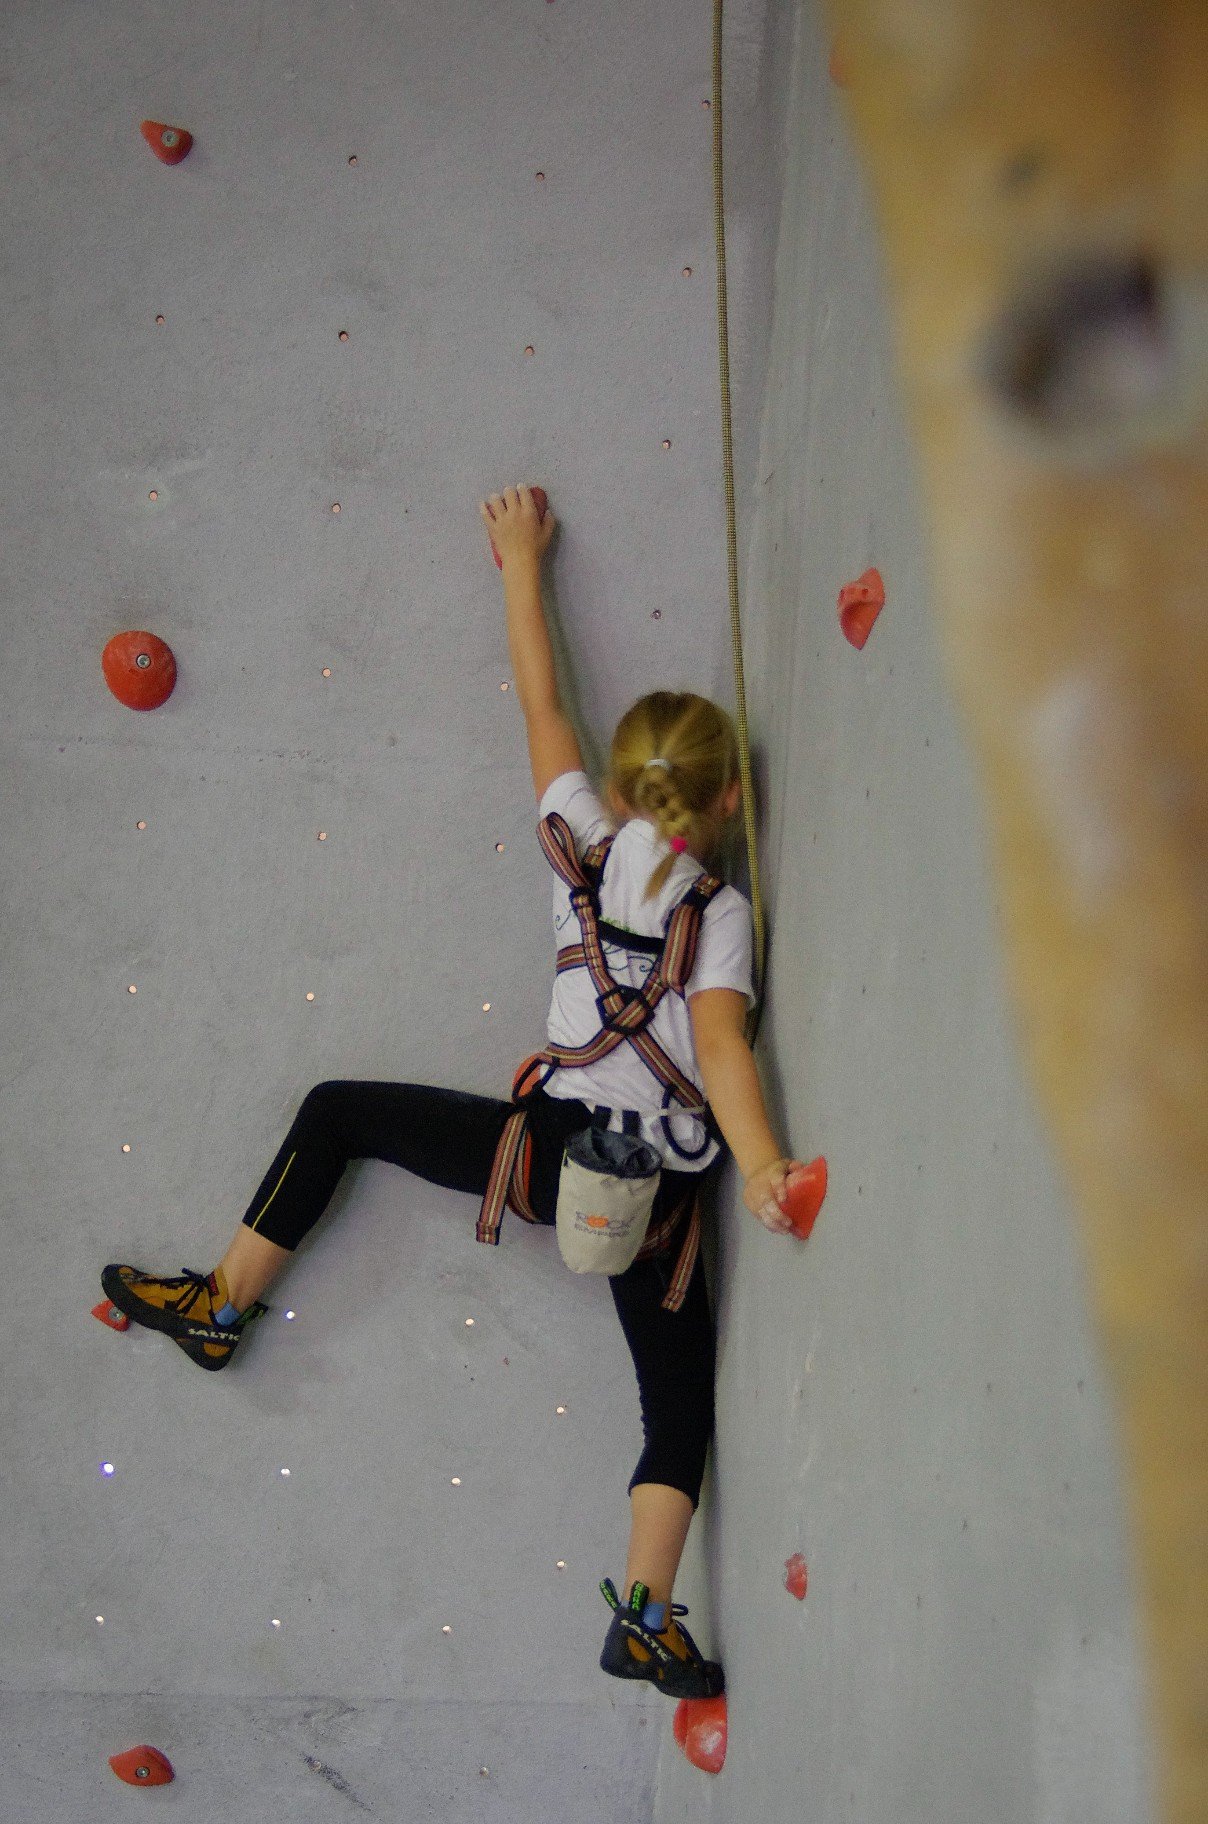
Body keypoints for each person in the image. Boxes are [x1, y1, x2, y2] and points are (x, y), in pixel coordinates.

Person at [101, 484, 809, 1702]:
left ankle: (222, 1302)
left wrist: (518, 562)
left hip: (541, 1162)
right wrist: (759, 1169)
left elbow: (541, 706)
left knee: (339, 1111)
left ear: (623, 789)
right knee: (675, 1410)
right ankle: (643, 1616)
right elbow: (722, 1050)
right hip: (657, 1205)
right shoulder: (718, 914)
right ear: (728, 803)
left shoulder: (577, 844)